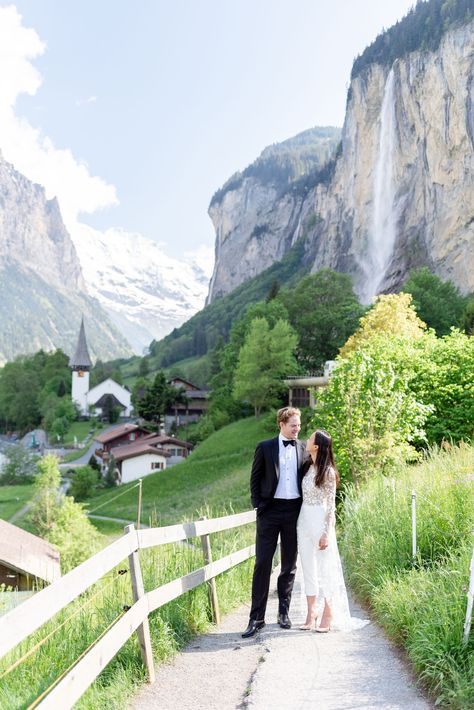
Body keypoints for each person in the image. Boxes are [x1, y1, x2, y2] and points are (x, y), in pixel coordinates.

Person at [242, 407, 310, 639]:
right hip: (269, 512)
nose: (297, 428)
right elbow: (255, 478)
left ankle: (283, 613)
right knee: (262, 563)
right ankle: (256, 618)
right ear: (281, 423)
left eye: (299, 425)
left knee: (289, 565)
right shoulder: (265, 447)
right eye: (293, 425)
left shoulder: (303, 448)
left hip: (294, 512)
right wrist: (258, 505)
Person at [297, 429, 368, 632]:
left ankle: (328, 612)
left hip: (320, 521)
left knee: (325, 567)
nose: (307, 439)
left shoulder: (327, 472)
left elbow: (331, 506)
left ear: (317, 446)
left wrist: (327, 532)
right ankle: (311, 612)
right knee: (307, 567)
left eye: (310, 438)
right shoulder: (308, 468)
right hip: (303, 521)